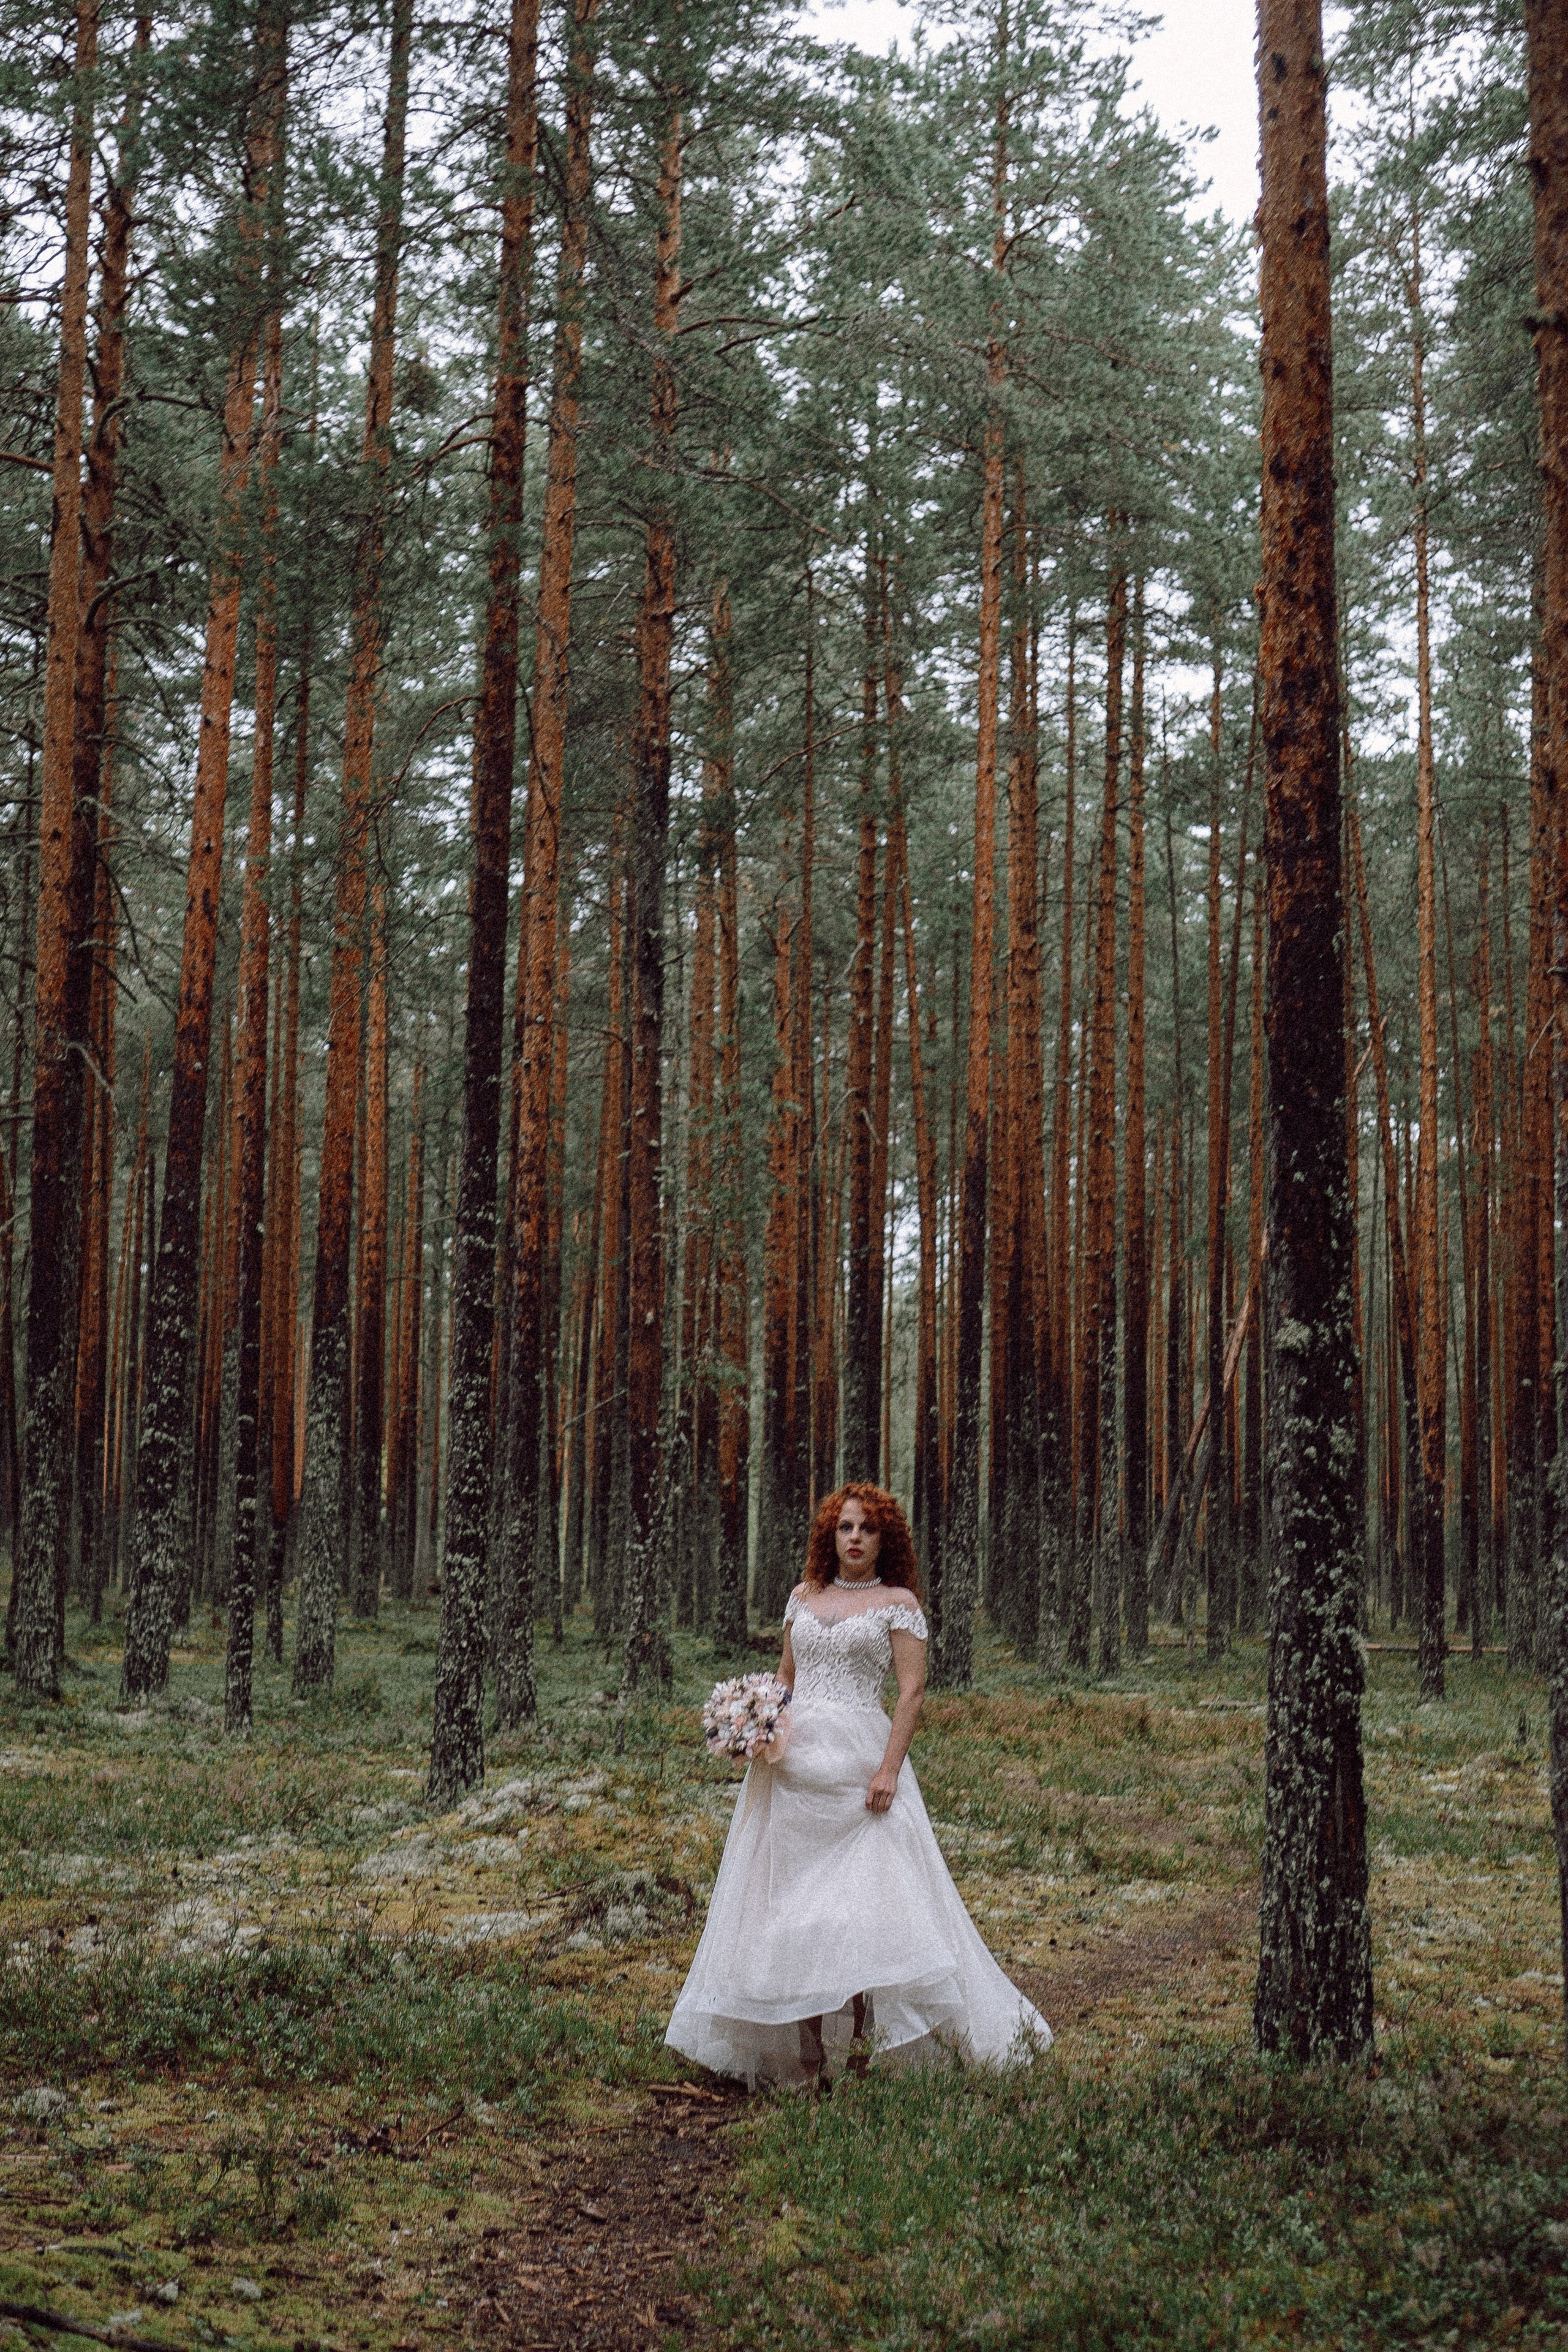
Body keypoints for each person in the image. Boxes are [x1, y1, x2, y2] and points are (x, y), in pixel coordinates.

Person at [665, 1482, 1052, 2088]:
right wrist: (756, 1726)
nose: (854, 1539)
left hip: (860, 1769)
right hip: (794, 1770)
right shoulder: (802, 1597)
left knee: (866, 1911)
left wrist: (888, 1769)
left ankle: (866, 2048)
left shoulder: (897, 1603)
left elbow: (911, 1691)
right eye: (845, 1528)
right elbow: (787, 1676)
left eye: (866, 1529)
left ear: (884, 1539)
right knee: (795, 1911)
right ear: (830, 1535)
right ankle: (809, 2053)